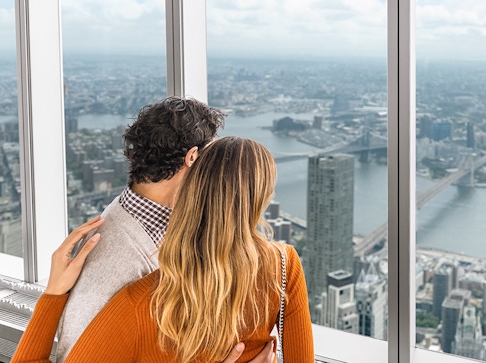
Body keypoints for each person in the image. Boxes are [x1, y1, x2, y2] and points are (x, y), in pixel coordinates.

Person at [12, 137, 314, 362]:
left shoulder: (140, 303)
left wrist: (53, 295)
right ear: (264, 197)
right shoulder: (284, 266)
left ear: (191, 190)